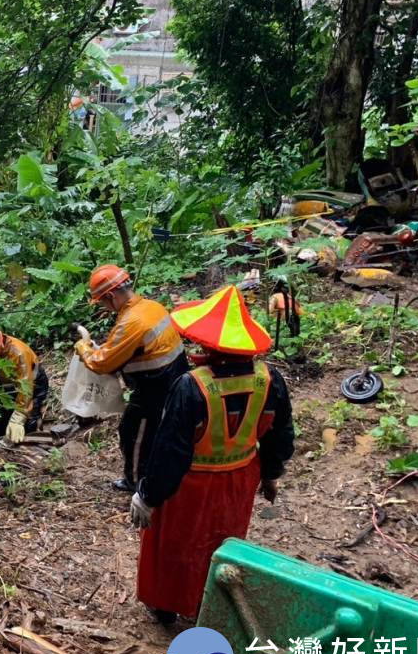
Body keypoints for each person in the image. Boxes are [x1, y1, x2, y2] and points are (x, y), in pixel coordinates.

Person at [129, 284, 295, 624]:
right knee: (223, 541)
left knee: (174, 545)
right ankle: (213, 603)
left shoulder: (192, 386)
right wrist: (272, 473)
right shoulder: (269, 379)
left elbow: (169, 450)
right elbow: (281, 433)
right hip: (239, 477)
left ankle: (166, 606)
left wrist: (148, 495)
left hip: (189, 483)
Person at [76, 265, 187, 492]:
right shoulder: (151, 307)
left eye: (102, 302)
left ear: (110, 296)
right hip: (176, 377)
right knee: (160, 432)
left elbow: (101, 363)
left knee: (133, 433)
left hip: (154, 388)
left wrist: (84, 348)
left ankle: (137, 482)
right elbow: (127, 348)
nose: (104, 308)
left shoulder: (132, 322)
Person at [0, 327, 49, 444]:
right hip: (7, 386)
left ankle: (34, 431)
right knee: (1, 425)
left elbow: (25, 388)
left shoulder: (18, 354)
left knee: (27, 424)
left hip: (33, 384)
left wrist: (19, 417)